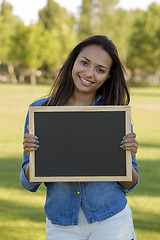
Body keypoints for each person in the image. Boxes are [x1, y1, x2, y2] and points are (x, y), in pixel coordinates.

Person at [20, 35, 139, 240]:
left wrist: (125, 158)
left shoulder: (115, 116)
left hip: (111, 220)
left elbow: (130, 184)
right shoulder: (41, 111)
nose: (89, 73)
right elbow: (28, 183)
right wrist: (33, 158)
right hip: (62, 224)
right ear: (73, 61)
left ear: (108, 76)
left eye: (100, 69)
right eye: (84, 63)